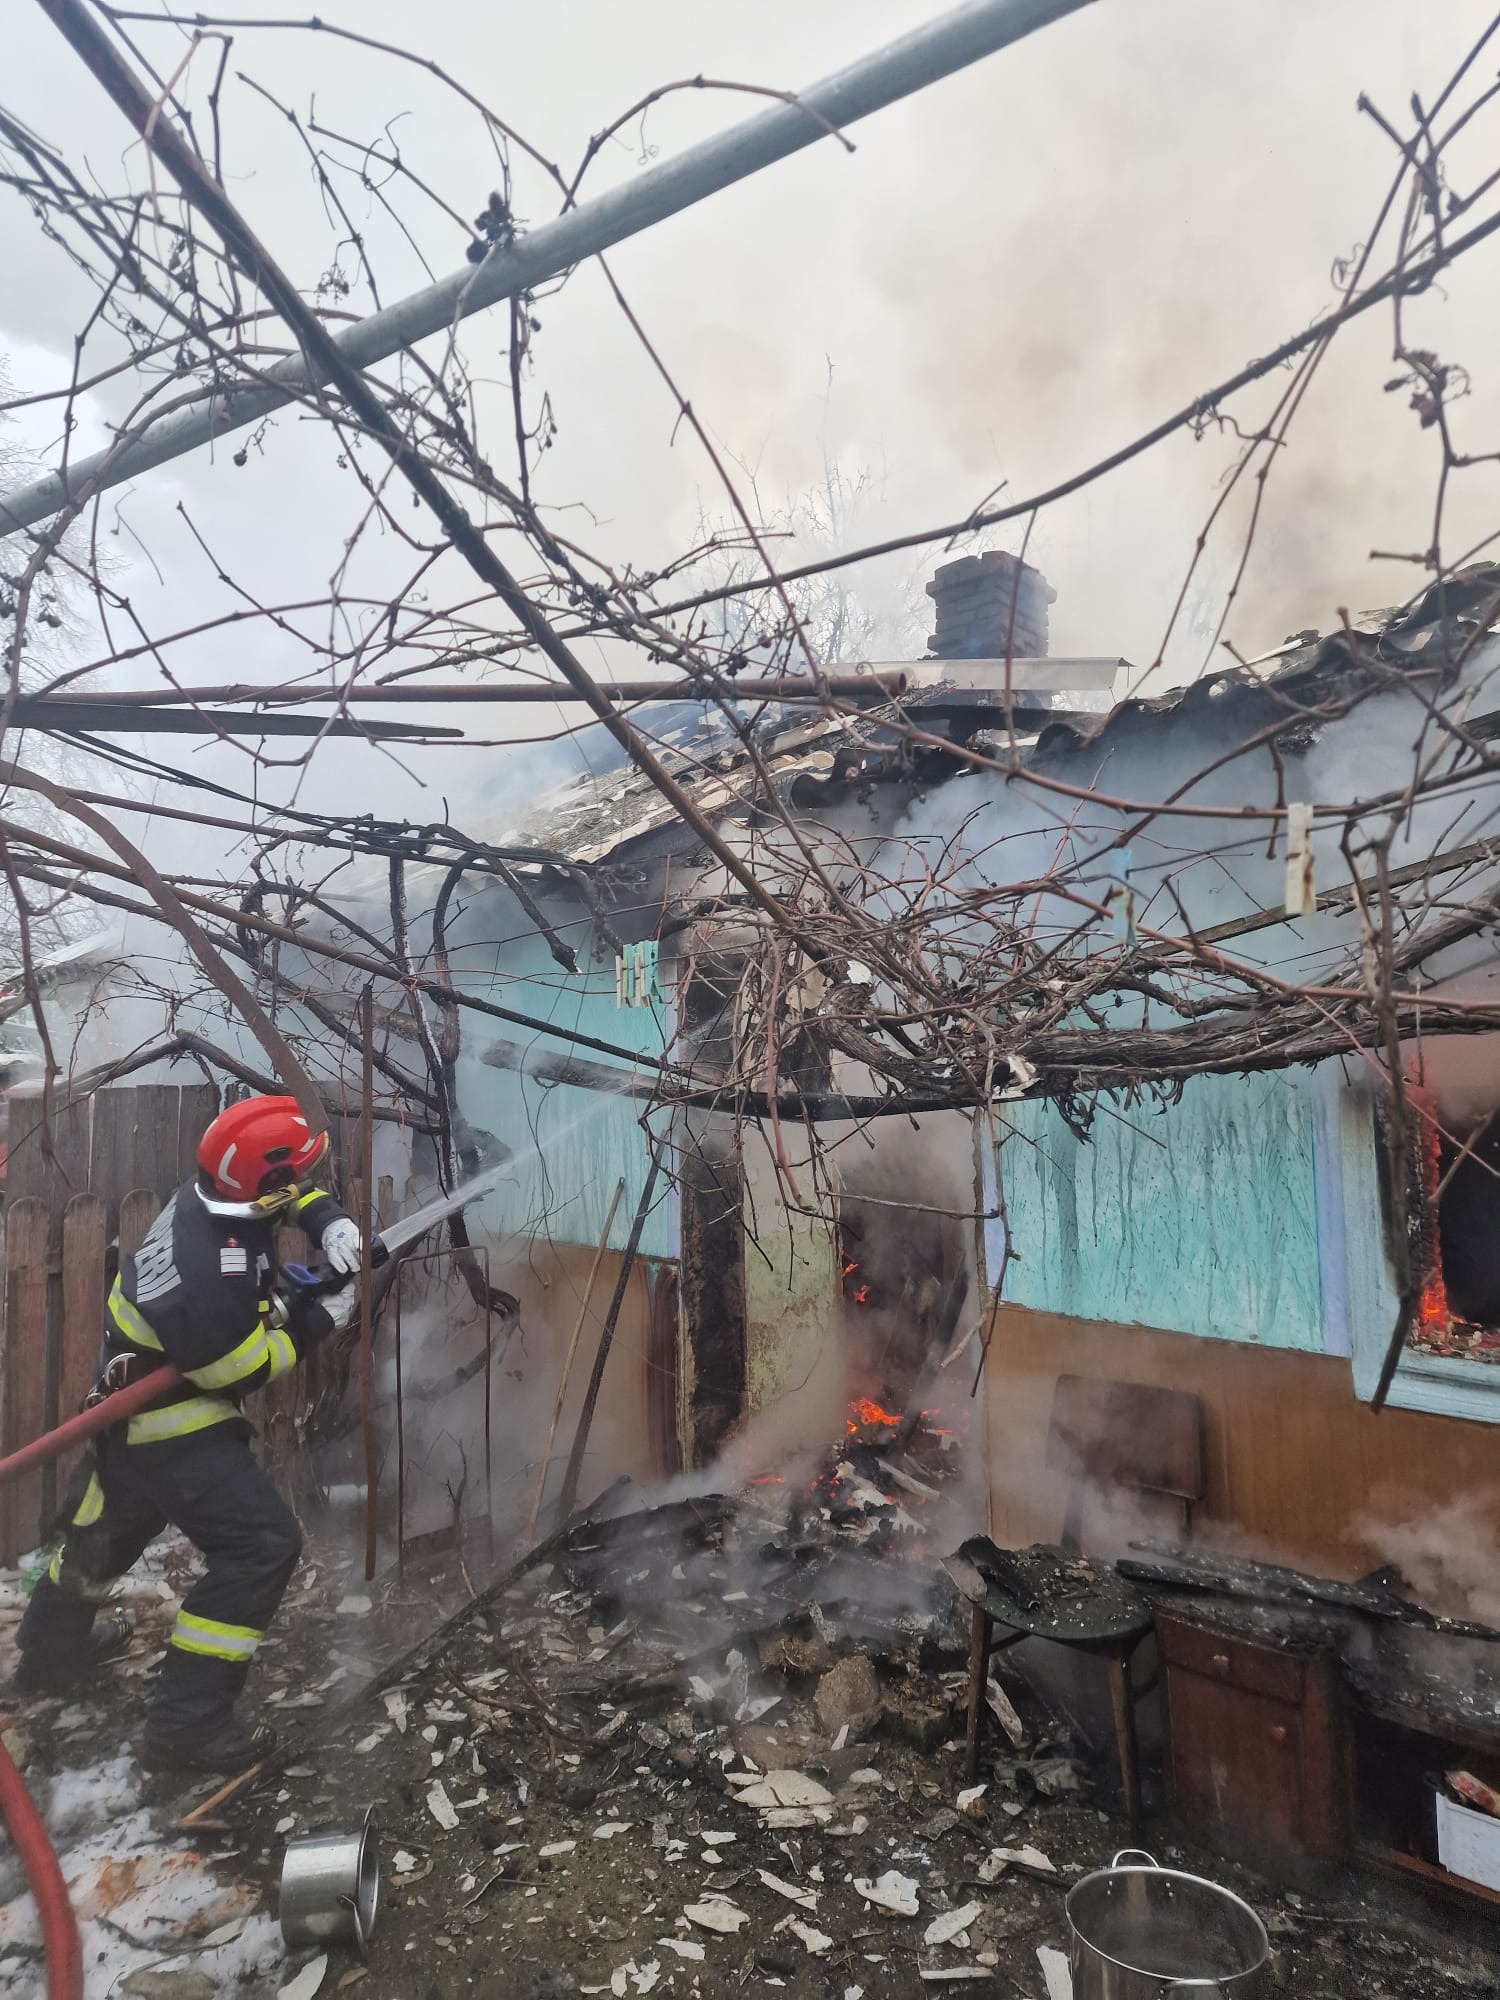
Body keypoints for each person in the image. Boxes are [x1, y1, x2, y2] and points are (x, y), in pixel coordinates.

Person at [14, 1095, 361, 1773]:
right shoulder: (209, 1271)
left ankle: (49, 1655)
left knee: (103, 1532)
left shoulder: (213, 1195)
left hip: (126, 1400)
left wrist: (329, 1221)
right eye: (293, 1181)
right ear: (263, 1186)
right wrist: (320, 1321)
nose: (299, 1187)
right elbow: (239, 1367)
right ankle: (188, 1729)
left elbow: (282, 1195)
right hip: (174, 1417)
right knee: (261, 1546)